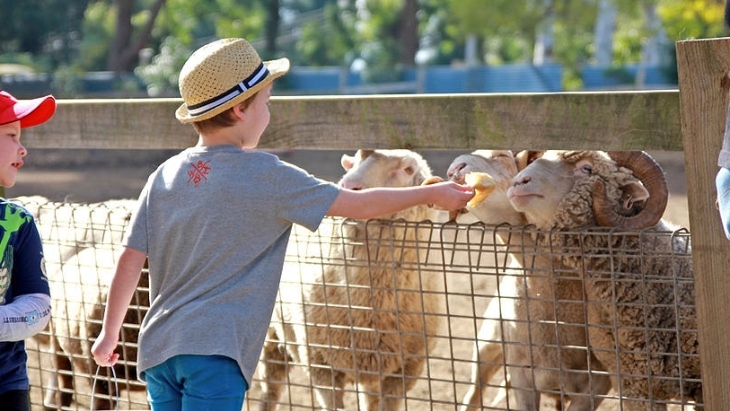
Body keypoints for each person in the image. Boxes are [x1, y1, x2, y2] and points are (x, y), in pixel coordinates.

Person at [91, 38, 474, 411]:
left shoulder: (165, 174)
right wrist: (428, 195)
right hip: (217, 352)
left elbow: (130, 258)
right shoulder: (267, 175)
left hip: (158, 347)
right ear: (242, 110)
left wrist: (110, 333)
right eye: (267, 104)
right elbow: (357, 204)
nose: (269, 114)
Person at [0, 90, 56, 411]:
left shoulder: (17, 221)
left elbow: (39, 308)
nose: (22, 148)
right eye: (11, 134)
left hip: (7, 385)